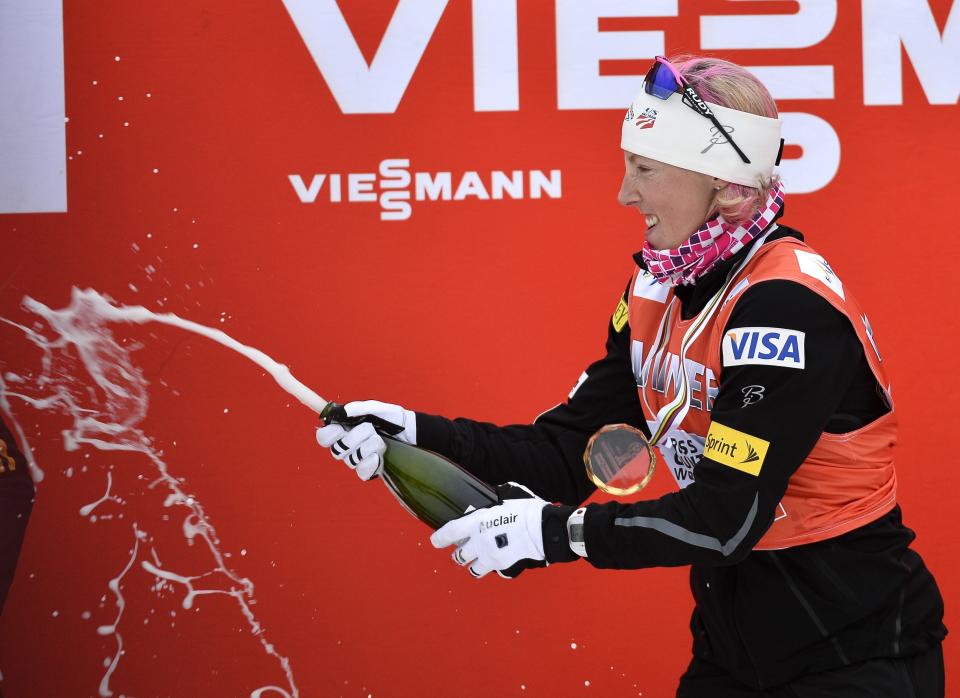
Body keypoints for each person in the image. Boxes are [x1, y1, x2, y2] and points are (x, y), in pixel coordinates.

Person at [316, 55, 946, 696]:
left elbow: (724, 518)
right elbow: (564, 456)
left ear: (727, 186)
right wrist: (413, 437)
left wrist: (554, 534)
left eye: (645, 168)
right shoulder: (657, 291)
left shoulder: (785, 307)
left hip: (855, 659)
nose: (624, 192)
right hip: (735, 655)